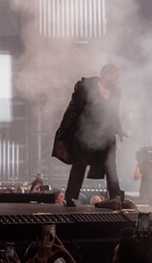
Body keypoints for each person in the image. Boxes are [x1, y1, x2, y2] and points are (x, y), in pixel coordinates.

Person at [52, 63, 125, 207]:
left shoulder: (116, 92)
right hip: (87, 134)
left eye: (118, 78)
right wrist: (63, 129)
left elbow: (114, 113)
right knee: (79, 165)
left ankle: (117, 197)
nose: (117, 81)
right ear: (106, 75)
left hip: (107, 134)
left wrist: (119, 129)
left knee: (111, 166)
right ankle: (70, 198)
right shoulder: (86, 87)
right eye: (114, 77)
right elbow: (73, 108)